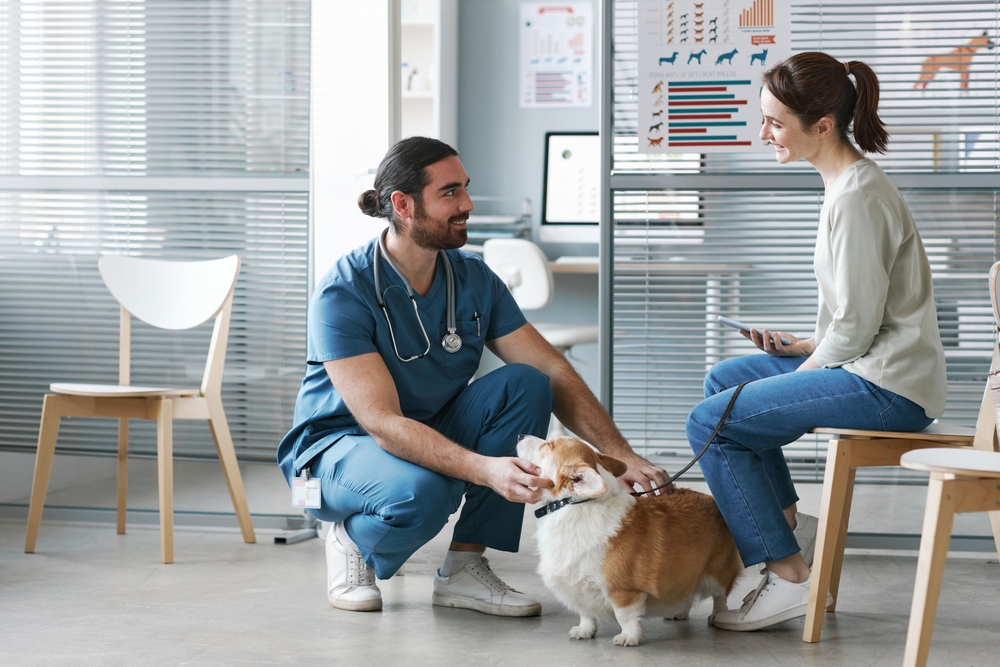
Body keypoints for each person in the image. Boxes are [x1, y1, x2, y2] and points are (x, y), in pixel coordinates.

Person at [277, 136, 669, 616]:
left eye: (465, 188)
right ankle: (351, 537)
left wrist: (620, 456)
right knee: (423, 492)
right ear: (403, 205)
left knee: (527, 382)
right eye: (449, 193)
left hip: (424, 429)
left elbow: (551, 368)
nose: (467, 204)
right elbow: (381, 422)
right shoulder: (344, 291)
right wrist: (485, 469)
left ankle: (463, 568)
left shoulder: (473, 278)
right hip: (335, 450)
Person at [686, 52, 946, 632]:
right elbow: (860, 319)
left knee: (710, 423)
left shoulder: (856, 197)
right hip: (875, 367)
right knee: (724, 381)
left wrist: (800, 374)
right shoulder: (842, 186)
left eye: (775, 122)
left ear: (822, 125)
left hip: (890, 387)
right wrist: (803, 347)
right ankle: (783, 523)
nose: (763, 133)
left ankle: (787, 573)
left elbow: (856, 329)